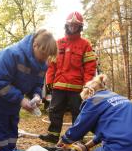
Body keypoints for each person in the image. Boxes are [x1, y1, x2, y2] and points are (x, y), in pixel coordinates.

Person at [0, 29, 57, 151]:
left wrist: (36, 95)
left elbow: (37, 84)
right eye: (43, 53)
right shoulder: (11, 54)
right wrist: (21, 100)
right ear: (35, 45)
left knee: (12, 124)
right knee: (0, 127)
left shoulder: (43, 64)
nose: (45, 58)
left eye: (48, 55)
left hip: (13, 97)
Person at [39, 11, 97, 144]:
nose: (73, 27)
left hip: (77, 87)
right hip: (59, 85)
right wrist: (49, 81)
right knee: (54, 110)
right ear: (67, 25)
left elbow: (90, 67)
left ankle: (77, 138)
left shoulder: (85, 44)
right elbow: (51, 64)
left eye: (76, 25)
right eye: (71, 24)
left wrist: (88, 85)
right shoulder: (58, 43)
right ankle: (53, 135)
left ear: (79, 27)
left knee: (78, 113)